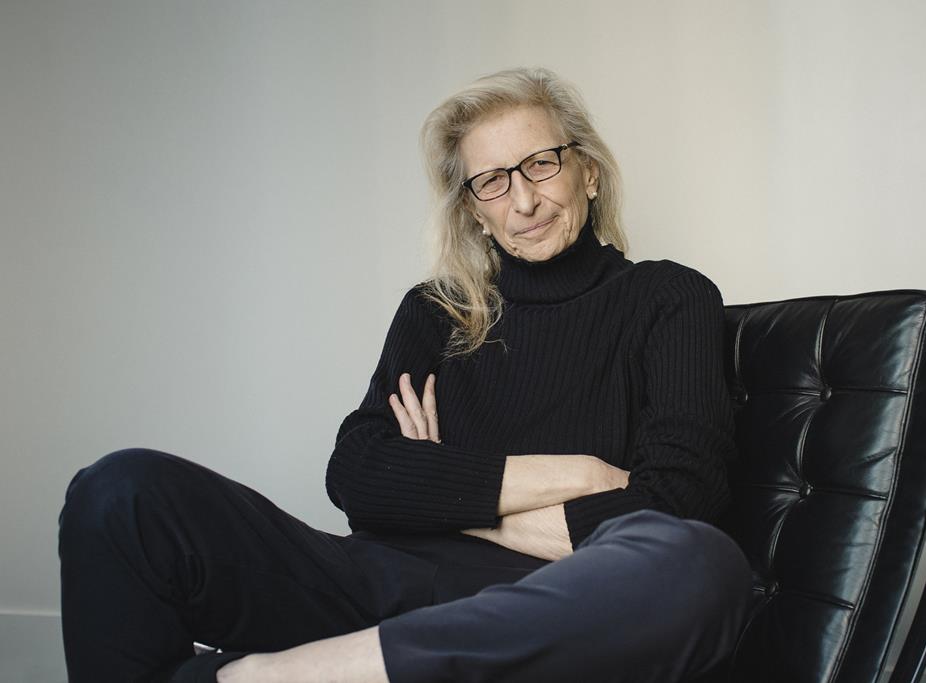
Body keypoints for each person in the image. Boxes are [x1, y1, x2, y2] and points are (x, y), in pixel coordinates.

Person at [58, 67, 752, 683]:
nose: (523, 200)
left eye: (541, 164)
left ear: (588, 173)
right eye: (493, 180)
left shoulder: (669, 297)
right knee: (121, 491)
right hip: (375, 582)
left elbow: (674, 501)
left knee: (698, 561)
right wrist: (584, 474)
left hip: (551, 612)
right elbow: (358, 474)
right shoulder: (436, 311)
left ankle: (262, 675)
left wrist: (441, 490)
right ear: (475, 210)